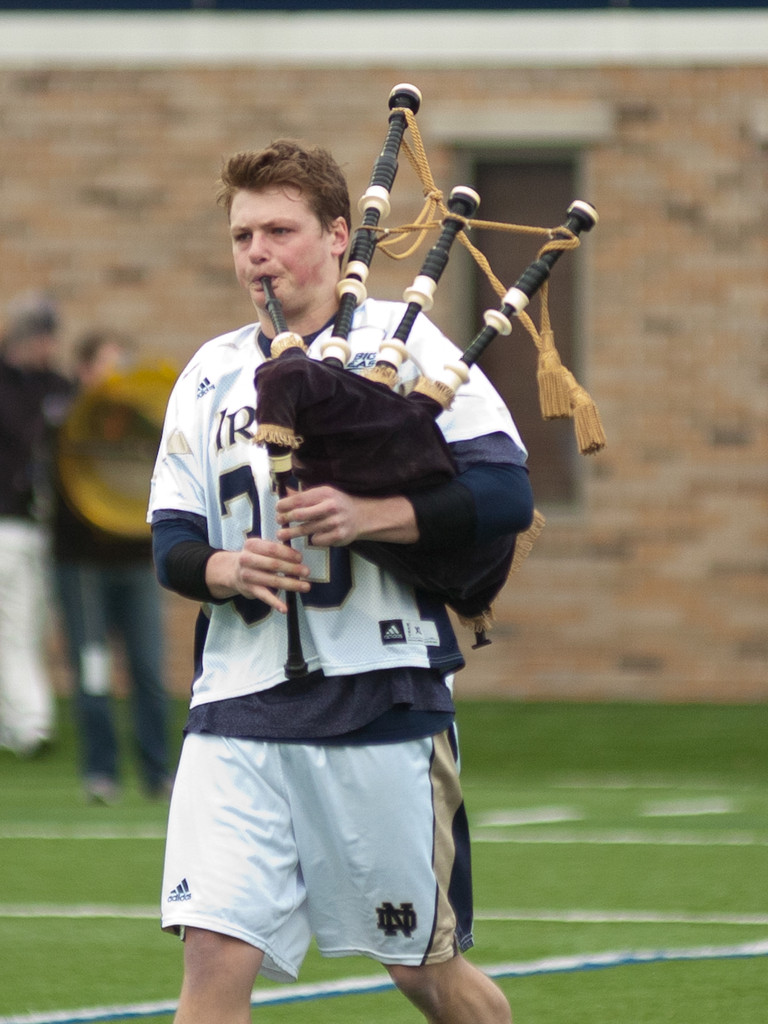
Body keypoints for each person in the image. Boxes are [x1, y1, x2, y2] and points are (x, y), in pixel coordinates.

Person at [148, 139, 535, 1023]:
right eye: (243, 234)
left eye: (279, 230)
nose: (258, 253)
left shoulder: (407, 346)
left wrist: (371, 516)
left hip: (382, 700)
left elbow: (503, 491)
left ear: (335, 236)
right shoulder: (209, 372)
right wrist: (224, 566)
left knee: (424, 973)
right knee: (212, 962)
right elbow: (171, 537)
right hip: (236, 708)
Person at [53, 330, 172, 804]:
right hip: (83, 567)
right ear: (85, 371)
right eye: (108, 364)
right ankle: (100, 772)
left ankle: (156, 773)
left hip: (137, 564)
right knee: (94, 669)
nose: (117, 374)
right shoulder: (64, 424)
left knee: (148, 669)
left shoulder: (143, 422)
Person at [0, 291, 72, 758]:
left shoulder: (56, 386)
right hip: (5, 521)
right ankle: (32, 724)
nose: (48, 346)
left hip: (41, 524)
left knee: (28, 624)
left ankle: (15, 724)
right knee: (13, 625)